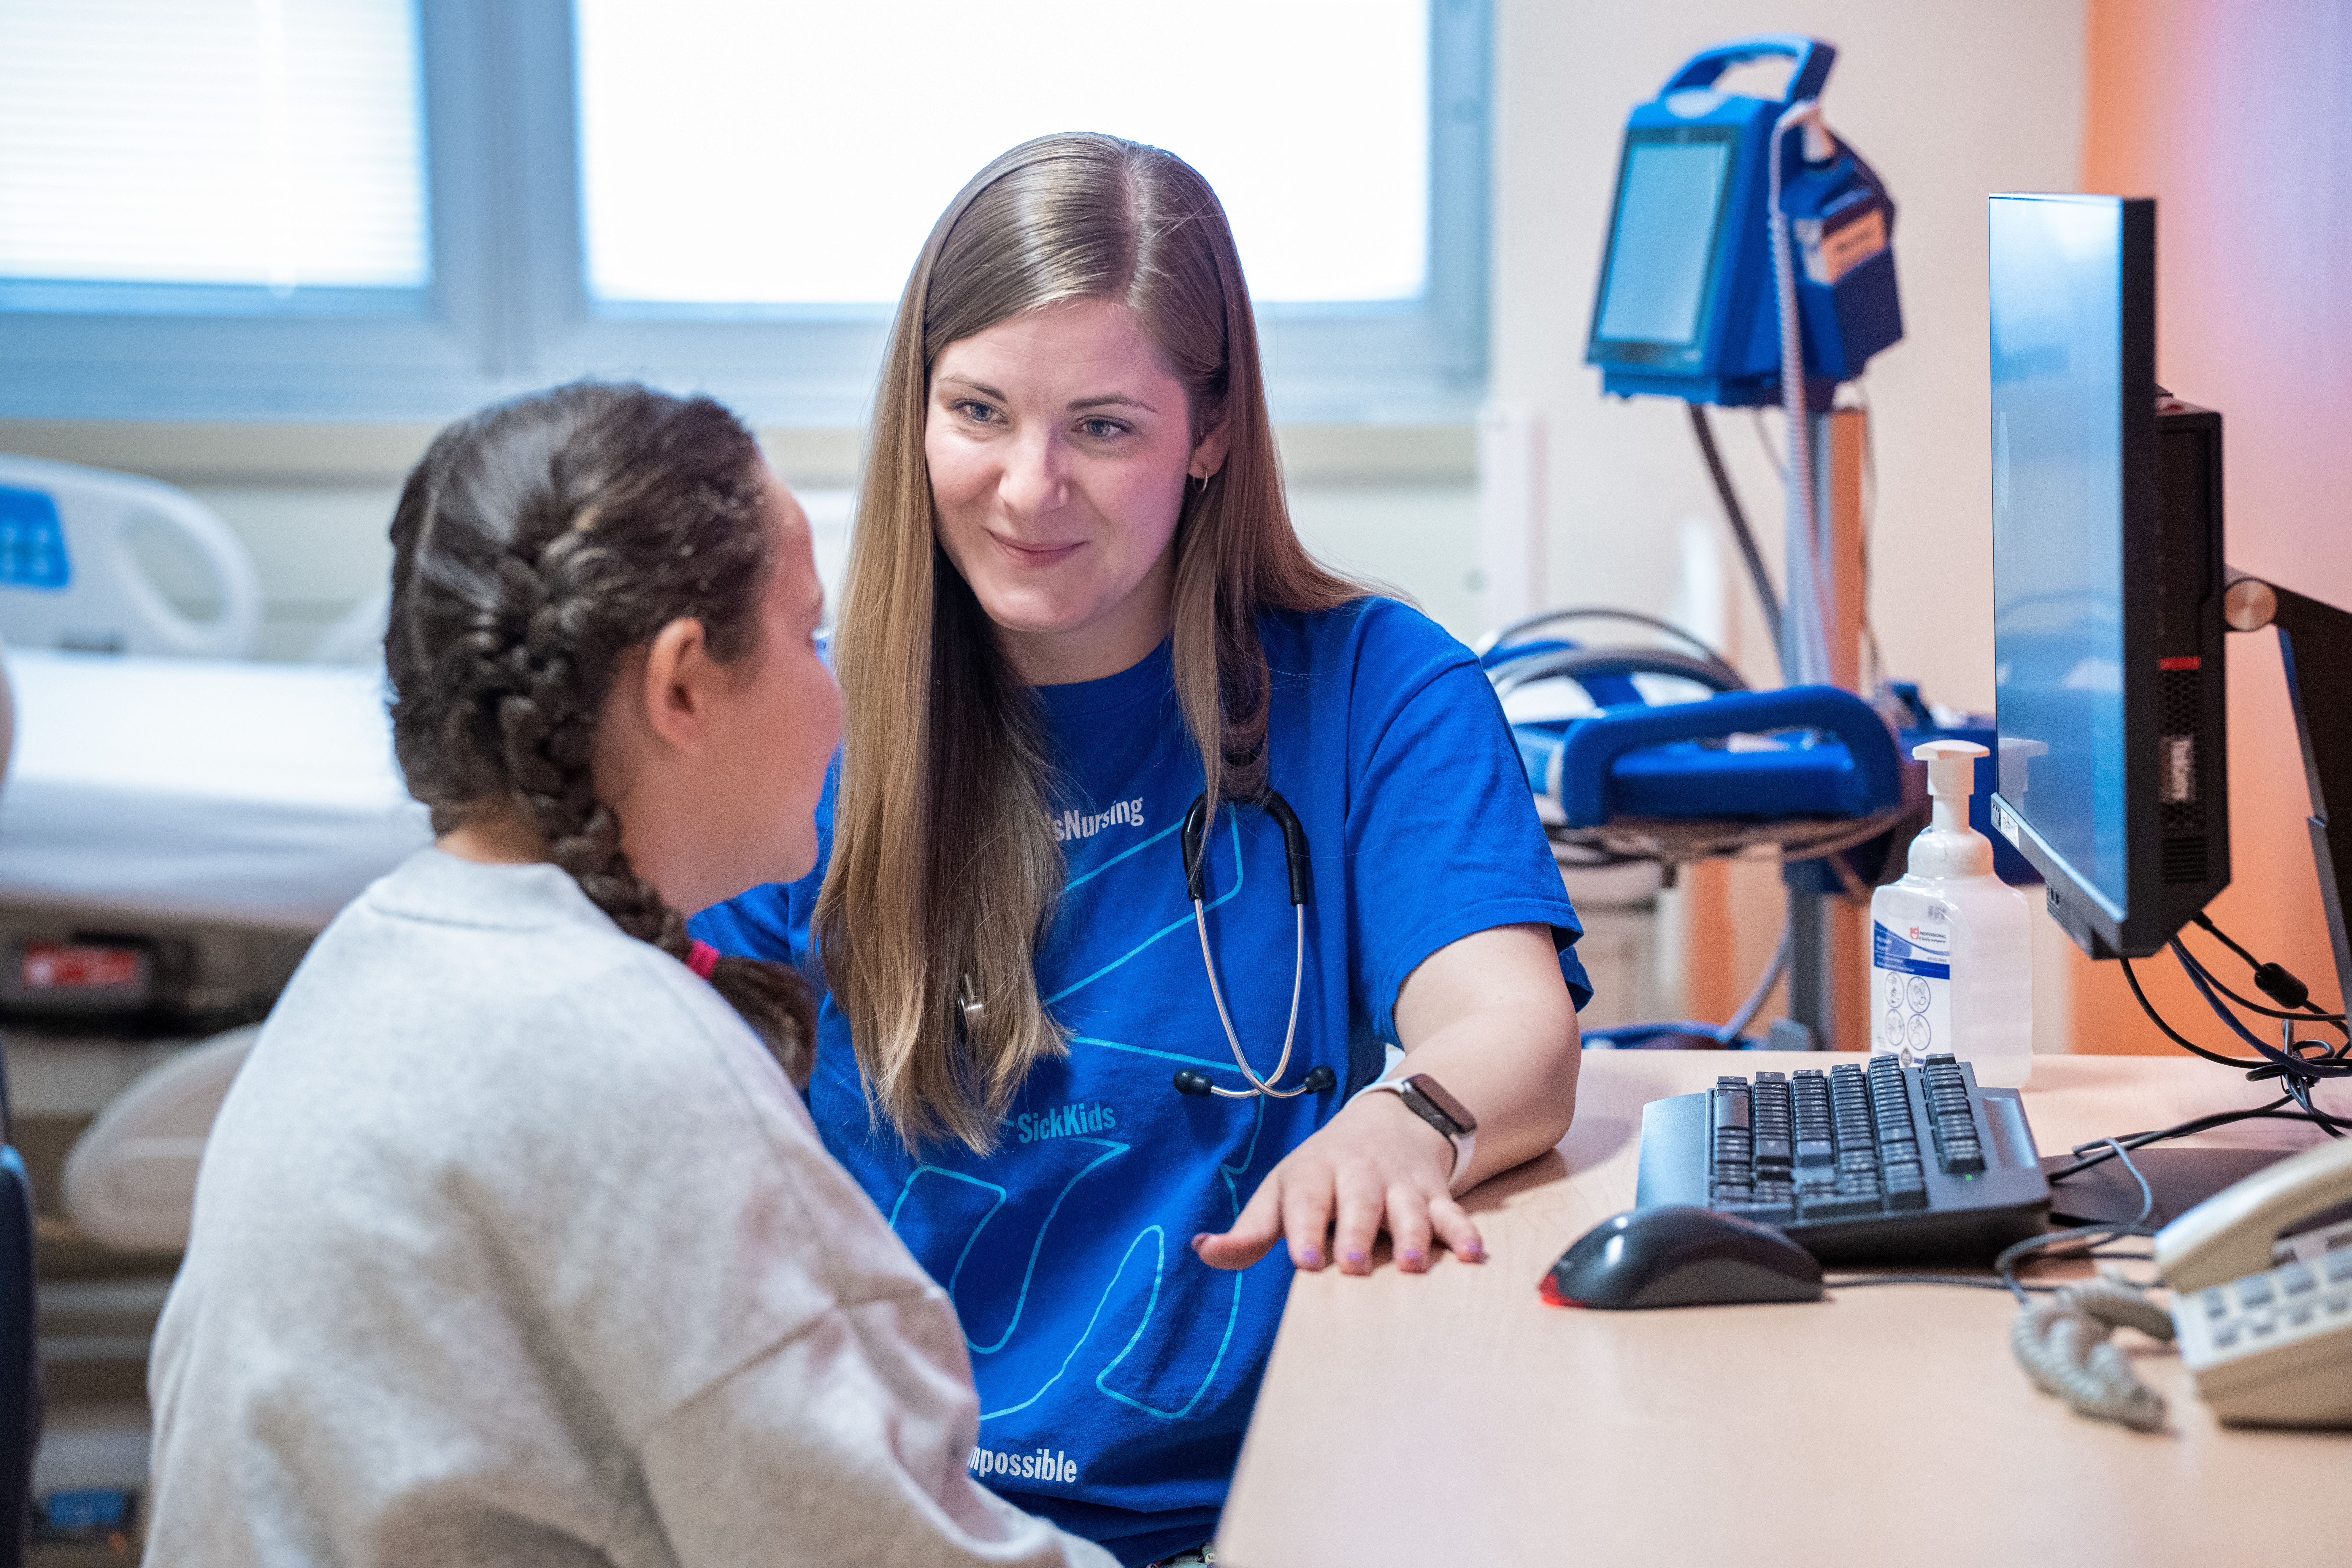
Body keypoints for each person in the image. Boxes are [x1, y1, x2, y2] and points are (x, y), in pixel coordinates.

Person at [695, 134, 1588, 1567]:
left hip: (1262, 1506)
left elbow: (1511, 1025)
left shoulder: (1375, 689)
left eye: (1103, 427)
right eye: (978, 410)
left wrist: (1401, 1117)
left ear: (1212, 429)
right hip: (901, 1517)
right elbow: (667, 1113)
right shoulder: (802, 722)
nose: (1028, 489)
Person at [146, 383, 1116, 1568]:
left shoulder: (378, 958)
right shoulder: (630, 1062)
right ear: (680, 689)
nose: (839, 697)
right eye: (811, 639)